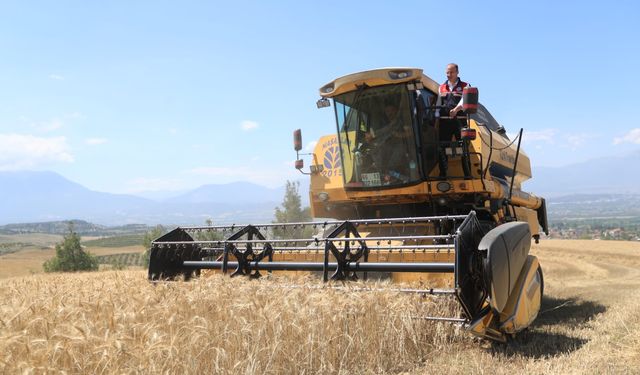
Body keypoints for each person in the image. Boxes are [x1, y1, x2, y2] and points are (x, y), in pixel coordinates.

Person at [436, 63, 471, 179]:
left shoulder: (466, 85)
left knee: (464, 148)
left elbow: (464, 100)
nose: (448, 75)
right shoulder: (441, 87)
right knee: (442, 148)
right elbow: (438, 104)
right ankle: (442, 175)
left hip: (460, 122)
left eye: (451, 72)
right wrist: (436, 118)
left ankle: (467, 175)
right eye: (447, 72)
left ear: (457, 72)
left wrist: (456, 110)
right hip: (445, 122)